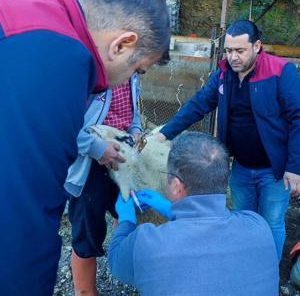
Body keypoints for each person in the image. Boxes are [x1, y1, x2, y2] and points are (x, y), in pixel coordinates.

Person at [0, 0, 170, 295]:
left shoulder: (37, 15)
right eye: (138, 70)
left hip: (116, 153)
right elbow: (25, 215)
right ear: (121, 45)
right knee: (83, 231)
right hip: (91, 164)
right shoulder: (60, 58)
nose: (130, 79)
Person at [156, 19, 300, 261]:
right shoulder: (224, 74)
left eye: (240, 51)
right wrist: (165, 133)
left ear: (257, 46)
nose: (233, 57)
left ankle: (266, 274)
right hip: (241, 167)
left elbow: (298, 118)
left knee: (272, 223)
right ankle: (244, 268)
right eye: (229, 50)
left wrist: (294, 168)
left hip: (274, 171)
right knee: (243, 221)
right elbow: (199, 104)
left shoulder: (280, 71)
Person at [108, 132, 279, 296]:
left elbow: (116, 263)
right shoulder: (259, 226)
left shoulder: (148, 243)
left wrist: (126, 220)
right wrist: (169, 209)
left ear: (176, 185)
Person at [64, 74, 142, 296]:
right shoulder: (86, 71)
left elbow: (131, 112)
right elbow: (61, 124)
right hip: (88, 167)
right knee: (87, 234)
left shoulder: (132, 71)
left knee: (124, 212)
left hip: (122, 158)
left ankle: (122, 263)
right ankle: (85, 291)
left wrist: (135, 130)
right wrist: (96, 148)